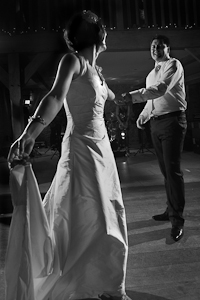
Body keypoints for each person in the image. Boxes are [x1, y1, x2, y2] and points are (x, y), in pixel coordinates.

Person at [7, 11, 131, 300]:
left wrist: (134, 96)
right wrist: (29, 133)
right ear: (98, 34)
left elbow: (111, 95)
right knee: (91, 213)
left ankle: (104, 282)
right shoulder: (73, 61)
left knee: (108, 212)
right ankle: (97, 283)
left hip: (103, 152)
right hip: (81, 149)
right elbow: (54, 97)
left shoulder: (98, 74)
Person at [122, 35, 187, 242]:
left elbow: (160, 90)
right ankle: (170, 210)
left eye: (160, 46)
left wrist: (132, 96)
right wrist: (143, 116)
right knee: (166, 172)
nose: (155, 49)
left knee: (173, 171)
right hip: (156, 123)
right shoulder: (151, 74)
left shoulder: (173, 65)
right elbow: (152, 101)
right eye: (153, 46)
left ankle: (177, 221)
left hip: (173, 121)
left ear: (168, 48)